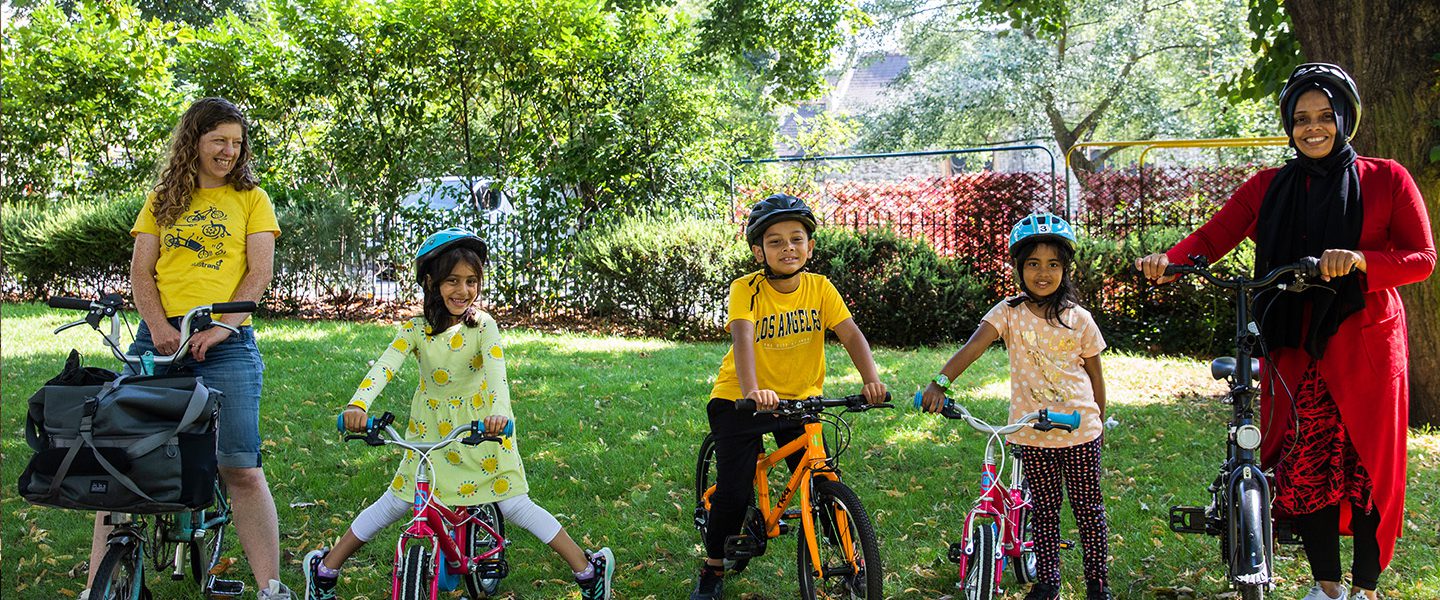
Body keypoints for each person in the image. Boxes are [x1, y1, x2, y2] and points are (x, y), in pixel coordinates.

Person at [1136, 63, 1434, 600]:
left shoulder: (1386, 178)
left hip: (1364, 344)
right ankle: (1327, 587)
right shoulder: (1269, 187)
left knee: (1367, 469)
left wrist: (1362, 260)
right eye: (1301, 118)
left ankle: (1365, 589)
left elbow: (1422, 258)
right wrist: (1170, 260)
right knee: (1308, 463)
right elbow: (1216, 234)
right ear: (1289, 125)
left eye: (1325, 116)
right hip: (1294, 347)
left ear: (1345, 119)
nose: (1313, 128)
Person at [304, 227, 615, 600]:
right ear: (431, 282)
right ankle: (324, 571)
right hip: (429, 430)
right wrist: (358, 404)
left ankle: (587, 570)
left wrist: (499, 414)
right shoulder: (416, 330)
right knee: (397, 501)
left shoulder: (483, 326)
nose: (463, 291)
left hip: (481, 430)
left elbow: (497, 372)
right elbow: (386, 365)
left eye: (471, 281)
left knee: (513, 503)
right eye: (452, 281)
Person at [82, 97, 291, 599]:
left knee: (239, 466)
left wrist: (222, 327)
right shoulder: (162, 199)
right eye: (219, 140)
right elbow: (141, 271)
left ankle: (272, 587)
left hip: (227, 338)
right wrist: (156, 325)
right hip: (158, 337)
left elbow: (258, 272)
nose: (228, 151)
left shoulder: (251, 198)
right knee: (121, 461)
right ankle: (96, 588)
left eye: (237, 143)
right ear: (193, 141)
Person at [690, 193, 889, 600]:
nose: (788, 248)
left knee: (824, 478)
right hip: (739, 399)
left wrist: (871, 380)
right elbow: (742, 338)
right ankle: (713, 568)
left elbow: (850, 333)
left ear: (810, 246)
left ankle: (852, 561)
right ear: (758, 251)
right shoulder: (746, 289)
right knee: (733, 489)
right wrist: (751, 391)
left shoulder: (820, 288)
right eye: (775, 241)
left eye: (796, 239)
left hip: (799, 400)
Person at [920, 213, 1112, 600]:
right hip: (1031, 431)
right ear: (1018, 268)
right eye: (1033, 264)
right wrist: (940, 382)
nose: (1043, 273)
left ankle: (1097, 584)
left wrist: (1099, 420)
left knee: (1088, 510)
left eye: (1053, 264)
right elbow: (973, 347)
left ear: (1065, 269)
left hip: (1078, 429)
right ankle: (1047, 582)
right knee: (1043, 511)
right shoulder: (1008, 312)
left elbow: (1095, 375)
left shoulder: (1080, 320)